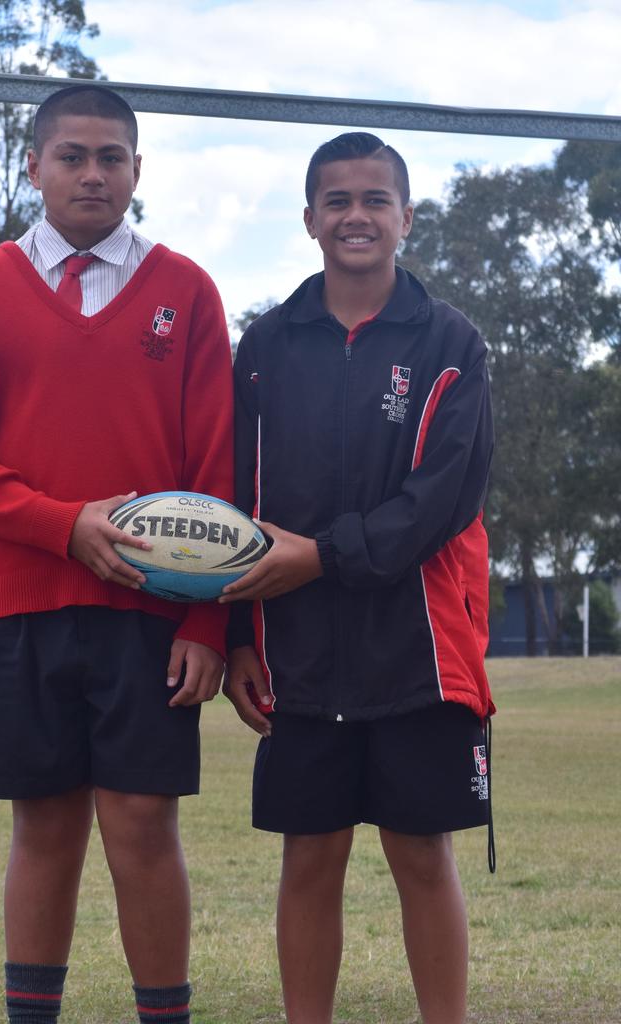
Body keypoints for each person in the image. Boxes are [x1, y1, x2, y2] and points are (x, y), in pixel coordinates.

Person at [0, 84, 233, 1024]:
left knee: (142, 827)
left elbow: (217, 467)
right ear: (34, 166)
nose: (93, 174)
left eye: (112, 158)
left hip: (150, 614)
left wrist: (208, 619)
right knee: (44, 828)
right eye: (72, 156)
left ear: (139, 168)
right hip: (18, 606)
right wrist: (65, 525)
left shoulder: (187, 291)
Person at [221, 131, 495, 1024]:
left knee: (422, 856)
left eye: (376, 200)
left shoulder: (452, 340)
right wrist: (236, 641)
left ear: (406, 218)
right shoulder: (266, 345)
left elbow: (441, 500)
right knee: (310, 857)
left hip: (419, 654)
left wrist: (323, 555)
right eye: (336, 201)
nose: (356, 216)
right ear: (308, 220)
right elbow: (238, 499)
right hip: (299, 654)